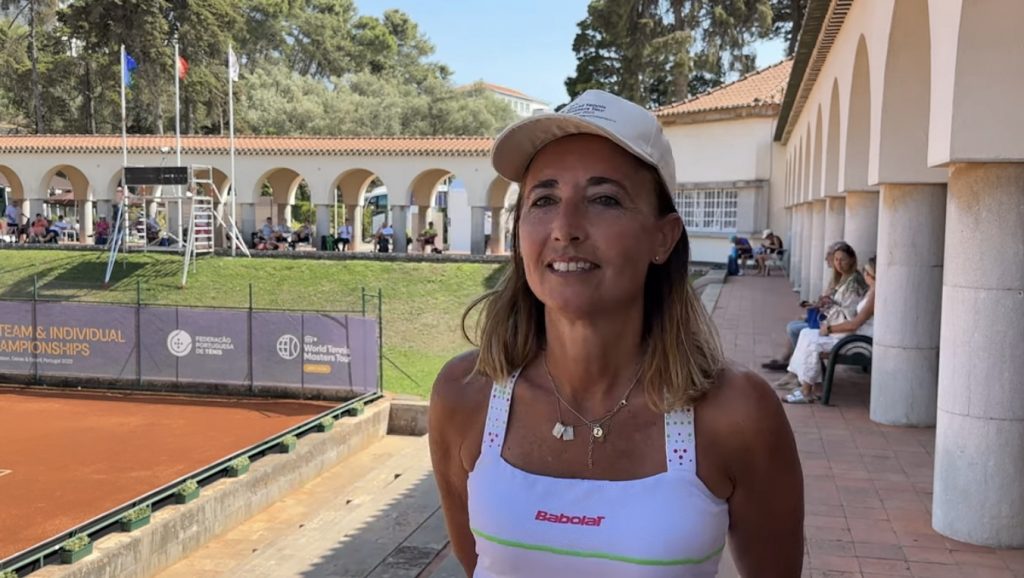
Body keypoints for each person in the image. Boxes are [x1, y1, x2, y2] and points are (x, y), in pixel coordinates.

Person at [428, 89, 803, 577]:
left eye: (604, 199)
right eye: (544, 199)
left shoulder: (736, 414)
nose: (565, 228)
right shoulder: (465, 396)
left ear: (663, 237)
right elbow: (476, 563)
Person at [783, 258, 876, 404]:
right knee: (805, 333)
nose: (864, 274)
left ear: (870, 275)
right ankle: (811, 385)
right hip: (853, 335)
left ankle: (806, 391)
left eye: (866, 272)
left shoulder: (874, 294)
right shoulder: (870, 290)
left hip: (859, 341)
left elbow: (855, 324)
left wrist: (830, 329)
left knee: (813, 344)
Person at [762, 241, 848, 371]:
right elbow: (828, 300)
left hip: (832, 324)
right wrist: (815, 304)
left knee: (794, 328)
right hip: (828, 318)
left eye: (830, 255)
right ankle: (788, 360)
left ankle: (797, 363)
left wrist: (821, 307)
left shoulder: (848, 282)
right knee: (797, 321)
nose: (826, 259)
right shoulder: (836, 277)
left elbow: (840, 308)